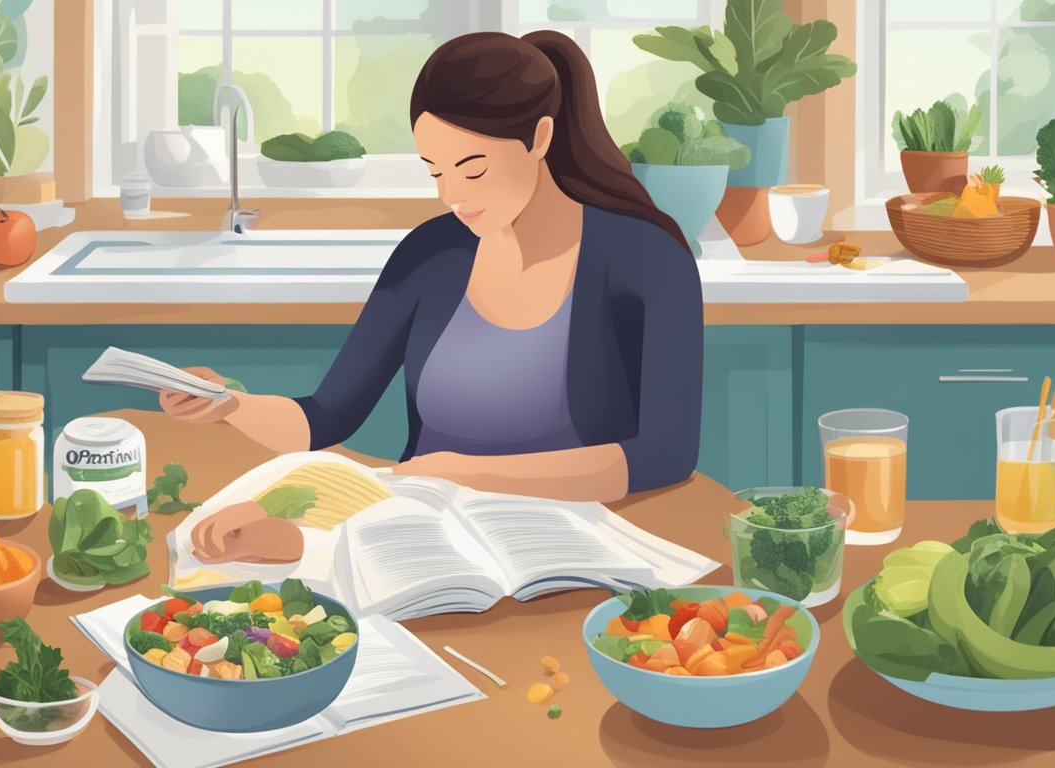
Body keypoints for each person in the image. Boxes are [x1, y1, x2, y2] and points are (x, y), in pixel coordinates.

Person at [160, 31, 702, 503]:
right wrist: (231, 405)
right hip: (427, 535)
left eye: (472, 169)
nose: (451, 197)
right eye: (434, 171)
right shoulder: (432, 253)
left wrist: (470, 476)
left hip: (581, 538)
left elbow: (665, 454)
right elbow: (325, 415)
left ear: (539, 138)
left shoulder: (647, 259)